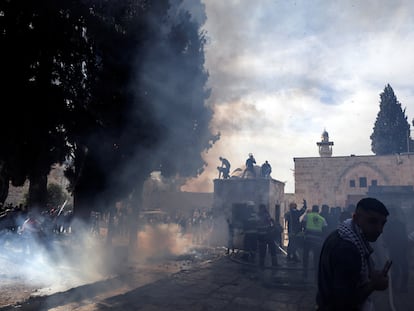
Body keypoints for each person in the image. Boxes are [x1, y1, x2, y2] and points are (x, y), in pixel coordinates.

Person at [316, 197, 389, 311]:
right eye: (372, 221)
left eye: (382, 223)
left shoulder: (342, 234)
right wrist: (373, 285)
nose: (380, 229)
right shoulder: (347, 250)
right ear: (356, 218)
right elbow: (344, 302)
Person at [382, 207, 409, 293]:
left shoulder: (395, 225)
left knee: (401, 269)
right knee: (397, 269)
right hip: (396, 249)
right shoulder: (390, 225)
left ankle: (400, 287)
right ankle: (395, 287)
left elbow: (404, 237)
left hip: (399, 249)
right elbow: (385, 238)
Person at [302, 205, 327, 279]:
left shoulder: (307, 216)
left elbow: (302, 224)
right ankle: (316, 273)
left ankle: (305, 273)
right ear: (318, 210)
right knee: (316, 257)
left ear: (312, 210)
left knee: (305, 256)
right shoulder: (322, 219)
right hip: (317, 240)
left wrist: (304, 231)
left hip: (308, 239)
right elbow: (325, 229)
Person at [256, 204, 278, 268]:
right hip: (266, 235)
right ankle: (270, 264)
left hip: (264, 235)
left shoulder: (259, 215)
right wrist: (274, 226)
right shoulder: (265, 215)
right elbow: (271, 221)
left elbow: (270, 221)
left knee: (270, 249)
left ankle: (264, 264)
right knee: (267, 249)